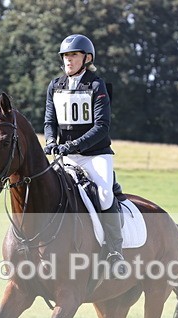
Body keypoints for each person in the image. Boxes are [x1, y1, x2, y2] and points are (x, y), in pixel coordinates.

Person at [43, 33, 126, 275]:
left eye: (74, 55)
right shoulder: (54, 86)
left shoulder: (96, 85)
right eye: (66, 56)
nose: (68, 60)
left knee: (103, 194)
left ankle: (114, 251)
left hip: (95, 154)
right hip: (66, 156)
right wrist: (50, 140)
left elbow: (102, 127)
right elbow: (50, 121)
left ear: (86, 58)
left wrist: (73, 145)